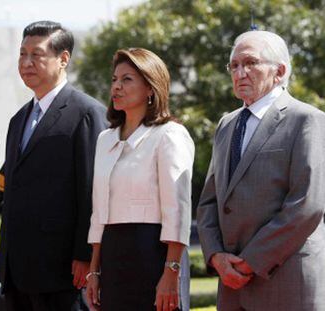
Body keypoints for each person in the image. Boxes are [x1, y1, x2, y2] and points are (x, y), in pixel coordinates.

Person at [197, 30, 325, 310]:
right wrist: (216, 256)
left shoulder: (307, 120)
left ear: (279, 71)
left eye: (250, 63)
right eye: (234, 65)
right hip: (231, 284)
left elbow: (307, 205)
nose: (240, 72)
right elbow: (210, 202)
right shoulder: (226, 124)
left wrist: (251, 261)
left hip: (287, 281)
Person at [0, 20, 107, 311]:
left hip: (62, 272)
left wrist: (85, 255)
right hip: (17, 272)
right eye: (22, 54)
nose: (26, 62)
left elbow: (90, 188)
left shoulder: (86, 113)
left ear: (63, 59)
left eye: (37, 54)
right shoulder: (18, 120)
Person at [86, 48, 194, 311]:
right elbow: (99, 211)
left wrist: (171, 272)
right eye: (114, 79)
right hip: (112, 255)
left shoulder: (170, 135)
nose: (117, 87)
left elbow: (177, 210)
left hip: (153, 252)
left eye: (127, 79)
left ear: (150, 88)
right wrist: (94, 271)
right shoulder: (105, 139)